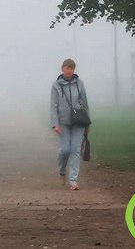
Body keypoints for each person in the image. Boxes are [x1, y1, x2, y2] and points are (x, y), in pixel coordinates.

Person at [49, 58, 90, 190]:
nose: (69, 70)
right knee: (65, 150)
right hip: (63, 122)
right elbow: (53, 106)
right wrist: (55, 124)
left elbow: (85, 103)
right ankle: (62, 171)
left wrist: (88, 123)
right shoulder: (56, 85)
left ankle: (73, 180)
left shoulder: (79, 83)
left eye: (72, 68)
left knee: (75, 150)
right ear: (62, 69)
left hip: (78, 122)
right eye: (67, 68)